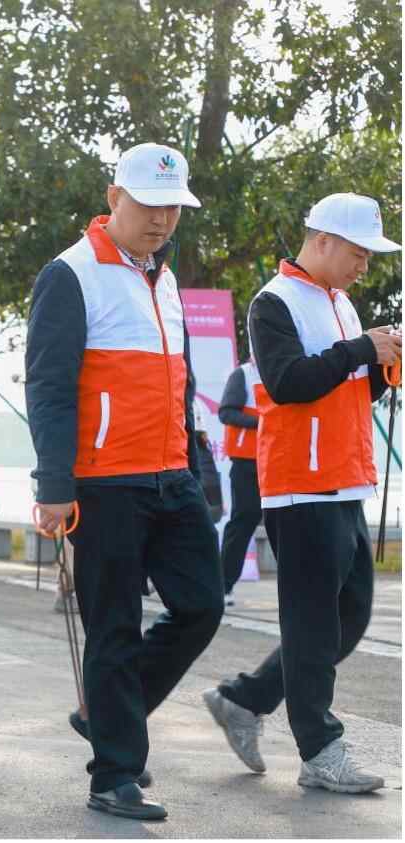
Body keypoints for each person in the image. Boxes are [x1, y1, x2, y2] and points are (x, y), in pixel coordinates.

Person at [25, 143, 223, 821]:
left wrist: (193, 466)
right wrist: (54, 484)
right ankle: (114, 775)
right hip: (102, 482)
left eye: (173, 207)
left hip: (171, 475)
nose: (162, 219)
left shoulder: (163, 278)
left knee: (201, 606)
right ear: (114, 197)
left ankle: (105, 711)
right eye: (148, 204)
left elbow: (181, 380)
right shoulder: (70, 273)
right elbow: (48, 389)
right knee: (112, 627)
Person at [202, 193, 400, 795]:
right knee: (313, 622)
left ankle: (245, 700)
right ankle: (319, 750)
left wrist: (380, 366)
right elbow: (288, 385)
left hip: (344, 478)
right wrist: (362, 350)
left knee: (349, 615)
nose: (365, 264)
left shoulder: (339, 303)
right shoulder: (274, 302)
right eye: (359, 251)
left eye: (370, 253)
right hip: (300, 486)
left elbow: (344, 391)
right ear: (322, 241)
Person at [218, 356, 261, 606]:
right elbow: (226, 412)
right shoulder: (243, 374)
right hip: (246, 462)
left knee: (287, 524)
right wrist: (261, 421)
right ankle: (224, 585)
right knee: (243, 521)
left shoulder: (281, 369)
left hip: (278, 460)